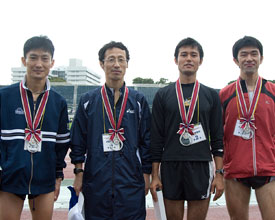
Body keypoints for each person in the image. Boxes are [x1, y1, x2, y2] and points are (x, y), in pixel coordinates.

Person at [70, 41, 151, 219]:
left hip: (130, 181)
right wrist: (78, 172)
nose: (116, 64)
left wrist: (146, 175)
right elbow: (78, 141)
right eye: (111, 59)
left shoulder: (138, 101)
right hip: (96, 180)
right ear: (102, 63)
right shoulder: (88, 101)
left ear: (127, 64)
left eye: (121, 59)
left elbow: (147, 140)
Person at [150, 37, 224, 220]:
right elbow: (156, 138)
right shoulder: (163, 95)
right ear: (176, 60)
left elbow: (217, 137)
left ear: (201, 60)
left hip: (200, 166)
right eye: (184, 55)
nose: (189, 59)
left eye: (194, 55)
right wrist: (155, 175)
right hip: (170, 165)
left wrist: (219, 174)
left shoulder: (211, 95)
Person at [0, 36, 70, 220]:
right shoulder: (4, 97)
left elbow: (61, 144)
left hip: (44, 178)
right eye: (33, 57)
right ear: (24, 60)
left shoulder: (58, 102)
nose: (39, 63)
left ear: (52, 62)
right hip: (9, 178)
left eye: (44, 58)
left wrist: (58, 175)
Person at [219, 36, 275, 220]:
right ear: (236, 60)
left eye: (254, 53)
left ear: (261, 58)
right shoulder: (225, 94)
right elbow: (218, 134)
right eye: (243, 54)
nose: (249, 58)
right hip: (235, 170)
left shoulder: (272, 92)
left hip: (268, 168)